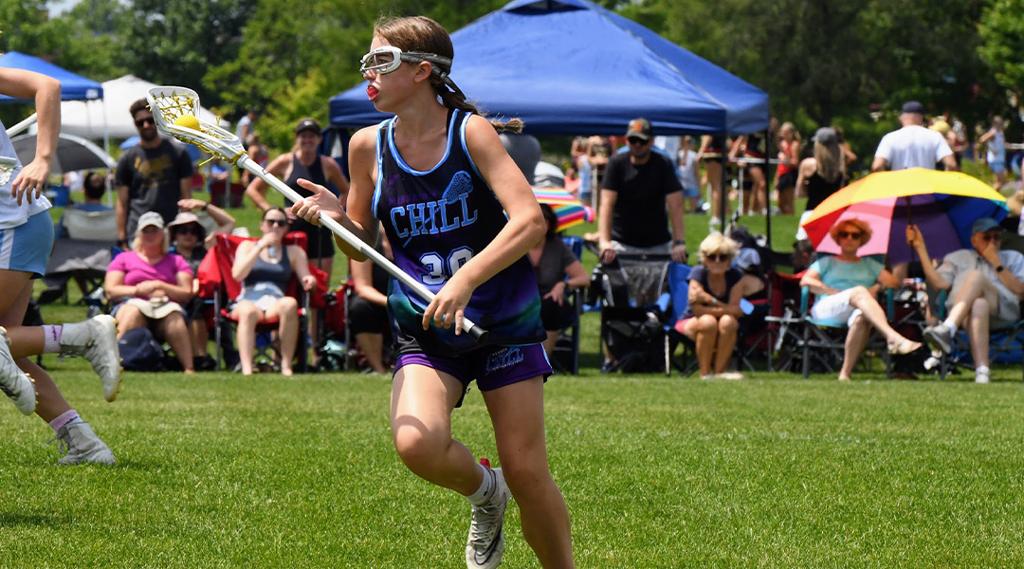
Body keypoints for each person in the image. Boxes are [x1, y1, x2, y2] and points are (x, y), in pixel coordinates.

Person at [289, 15, 573, 568]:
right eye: (367, 62)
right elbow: (360, 247)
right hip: (425, 326)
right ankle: (487, 493)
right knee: (416, 444)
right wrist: (336, 218)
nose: (368, 73)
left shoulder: (470, 132)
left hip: (501, 321)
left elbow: (529, 222)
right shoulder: (366, 145)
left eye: (382, 61)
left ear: (422, 71)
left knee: (527, 471)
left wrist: (465, 281)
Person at [0, 67, 122, 465]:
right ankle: (85, 444)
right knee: (10, 349)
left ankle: (83, 335)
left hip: (12, 224)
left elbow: (47, 86)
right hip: (18, 224)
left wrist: (42, 158)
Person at [799, 218, 921, 381]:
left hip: (859, 306)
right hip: (828, 305)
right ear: (838, 239)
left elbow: (893, 283)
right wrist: (828, 290)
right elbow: (806, 281)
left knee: (862, 317)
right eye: (844, 234)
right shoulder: (826, 262)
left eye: (855, 235)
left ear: (862, 240)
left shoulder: (870, 264)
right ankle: (892, 337)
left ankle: (845, 374)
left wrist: (876, 288)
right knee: (860, 291)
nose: (849, 238)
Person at [908, 218, 1024, 384]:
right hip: (967, 314)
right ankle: (982, 370)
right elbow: (939, 284)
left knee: (975, 276)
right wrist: (920, 248)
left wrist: (996, 263)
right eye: (987, 237)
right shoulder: (958, 257)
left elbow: (1020, 291)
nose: (993, 242)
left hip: (1003, 311)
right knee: (979, 304)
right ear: (974, 240)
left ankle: (948, 328)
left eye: (996, 237)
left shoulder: (1013, 257)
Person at [104, 211, 195, 373]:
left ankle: (189, 367)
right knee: (132, 311)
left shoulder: (176, 261)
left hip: (165, 304)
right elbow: (111, 289)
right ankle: (112, 363)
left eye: (155, 230)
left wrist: (161, 286)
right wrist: (138, 290)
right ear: (138, 234)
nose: (150, 235)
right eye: (146, 230)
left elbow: (187, 292)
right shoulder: (124, 259)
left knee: (174, 316)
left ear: (163, 234)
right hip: (131, 302)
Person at [230, 207, 317, 376]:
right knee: (247, 311)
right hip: (248, 298)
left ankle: (285, 366)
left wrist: (309, 280)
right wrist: (260, 246)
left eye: (281, 223)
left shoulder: (294, 251)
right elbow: (238, 275)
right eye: (271, 222)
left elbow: (305, 276)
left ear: (286, 228)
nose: (275, 226)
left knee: (290, 304)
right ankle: (247, 368)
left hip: (275, 301)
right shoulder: (247, 246)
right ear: (262, 225)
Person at [599, 117, 687, 265]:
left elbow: (676, 204)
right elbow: (606, 203)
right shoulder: (616, 163)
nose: (637, 145)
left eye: (642, 141)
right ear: (626, 140)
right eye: (633, 140)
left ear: (651, 141)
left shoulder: (663, 164)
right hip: (621, 242)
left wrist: (679, 242)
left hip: (657, 242)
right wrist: (604, 241)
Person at [115, 98, 195, 246]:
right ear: (135, 125)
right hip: (138, 230)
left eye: (150, 120)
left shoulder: (178, 153)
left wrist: (186, 229)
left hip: (170, 229)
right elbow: (121, 202)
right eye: (140, 122)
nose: (146, 125)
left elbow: (187, 197)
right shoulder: (127, 158)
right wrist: (122, 237)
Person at [674, 233, 753, 380]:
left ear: (729, 260)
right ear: (704, 258)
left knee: (728, 322)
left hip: (720, 322)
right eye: (712, 257)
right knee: (708, 322)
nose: (717, 261)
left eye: (722, 257)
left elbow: (736, 311)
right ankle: (705, 374)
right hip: (691, 320)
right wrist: (726, 309)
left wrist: (710, 300)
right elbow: (697, 310)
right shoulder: (698, 273)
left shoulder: (735, 276)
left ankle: (719, 372)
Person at [169, 198, 236, 370]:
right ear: (174, 234)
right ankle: (199, 358)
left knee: (206, 307)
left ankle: (204, 358)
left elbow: (229, 223)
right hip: (177, 300)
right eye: (183, 231)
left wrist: (204, 206)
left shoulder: (207, 248)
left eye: (193, 231)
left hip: (207, 301)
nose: (188, 235)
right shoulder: (167, 255)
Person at [528, 204, 589, 357]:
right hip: (523, 300)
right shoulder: (516, 246)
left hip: (551, 301)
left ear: (549, 224)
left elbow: (584, 278)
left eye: (542, 221)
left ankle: (544, 359)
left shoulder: (557, 247)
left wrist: (563, 284)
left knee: (551, 305)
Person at [348, 230, 394, 374]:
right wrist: (391, 302)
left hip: (412, 300)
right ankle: (378, 367)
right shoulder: (366, 242)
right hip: (380, 302)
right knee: (360, 308)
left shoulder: (413, 240)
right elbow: (362, 288)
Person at [872, 101, 957, 172]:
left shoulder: (889, 138)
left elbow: (877, 166)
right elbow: (951, 164)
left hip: (899, 186)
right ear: (921, 117)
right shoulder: (935, 136)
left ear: (902, 117)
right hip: (927, 186)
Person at [795, 127, 847, 241]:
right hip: (833, 215)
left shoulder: (808, 165)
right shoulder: (840, 168)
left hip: (812, 213)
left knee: (805, 248)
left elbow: (799, 193)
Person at [55, 171, 112, 238]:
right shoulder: (114, 216)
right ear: (104, 191)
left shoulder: (69, 215)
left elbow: (58, 238)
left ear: (84, 190)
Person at [729, 133, 768, 215]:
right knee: (752, 189)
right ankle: (761, 210)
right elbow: (738, 145)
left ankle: (757, 210)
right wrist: (735, 159)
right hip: (750, 161)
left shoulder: (767, 130)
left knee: (758, 185)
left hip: (761, 161)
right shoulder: (749, 130)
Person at [698, 134, 728, 229]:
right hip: (719, 153)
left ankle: (716, 216)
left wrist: (701, 151)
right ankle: (720, 215)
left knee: (715, 186)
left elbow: (708, 135)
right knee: (718, 186)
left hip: (713, 153)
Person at [774, 122, 801, 215]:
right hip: (782, 174)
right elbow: (779, 164)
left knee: (789, 202)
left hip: (790, 174)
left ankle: (791, 217)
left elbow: (795, 162)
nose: (783, 134)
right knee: (780, 202)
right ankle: (785, 218)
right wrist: (776, 177)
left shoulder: (794, 144)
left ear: (791, 133)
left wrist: (785, 158)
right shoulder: (782, 144)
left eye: (785, 132)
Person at [976, 116, 1008, 190]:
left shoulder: (1000, 133)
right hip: (995, 160)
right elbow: (982, 139)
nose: (1001, 124)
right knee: (1001, 181)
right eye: (999, 123)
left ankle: (993, 195)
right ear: (995, 124)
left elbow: (1001, 144)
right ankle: (989, 195)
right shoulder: (993, 132)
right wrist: (990, 149)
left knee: (998, 182)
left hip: (999, 159)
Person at [677, 136, 701, 213]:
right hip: (685, 182)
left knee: (685, 206)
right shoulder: (680, 154)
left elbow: (696, 171)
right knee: (684, 206)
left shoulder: (680, 154)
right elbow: (696, 172)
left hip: (688, 182)